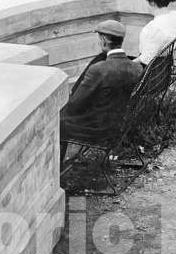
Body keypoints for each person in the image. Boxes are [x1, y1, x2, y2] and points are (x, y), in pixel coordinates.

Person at [60, 19, 143, 159]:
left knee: (59, 121)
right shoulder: (137, 68)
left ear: (104, 40)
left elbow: (74, 104)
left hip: (98, 130)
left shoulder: (98, 69)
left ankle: (58, 171)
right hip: (121, 125)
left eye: (99, 39)